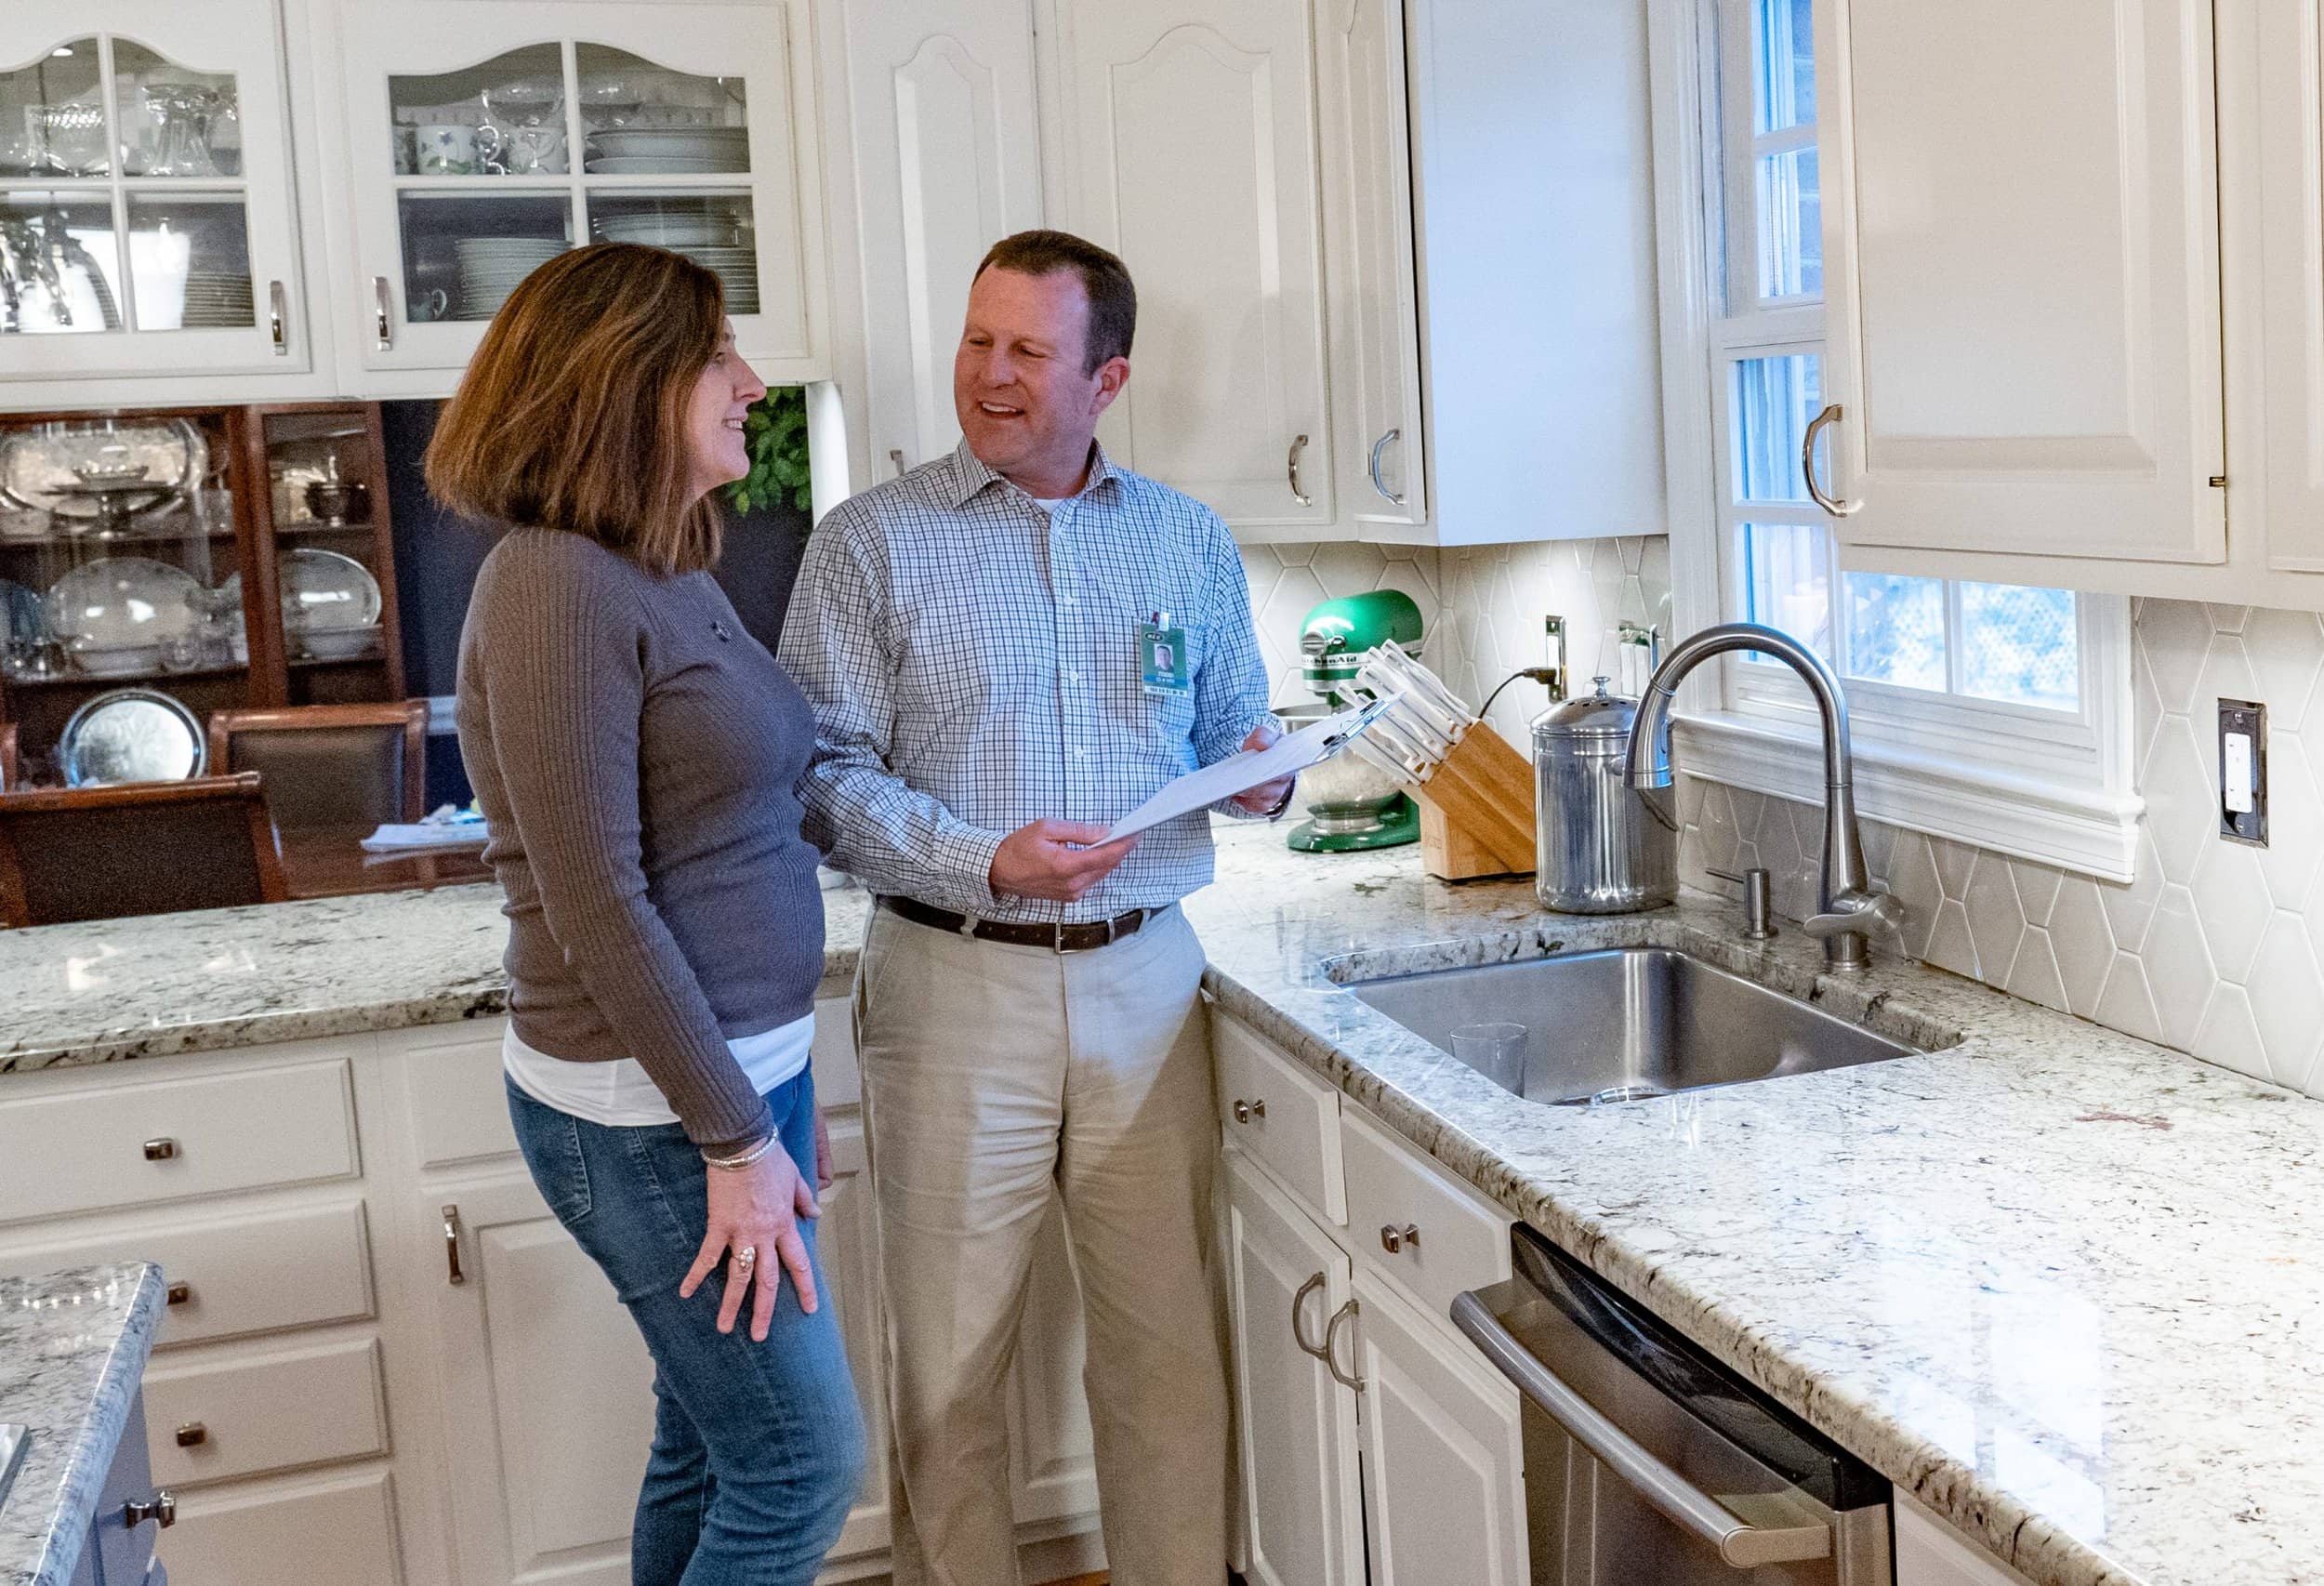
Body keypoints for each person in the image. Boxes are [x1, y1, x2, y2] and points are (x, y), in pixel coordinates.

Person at [779, 229, 1292, 1586]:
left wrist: (1261, 777)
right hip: (955, 982)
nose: (990, 377)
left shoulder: (1187, 539)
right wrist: (981, 857)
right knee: (948, 1372)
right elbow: (818, 775)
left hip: (1149, 983)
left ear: (1106, 378)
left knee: (1167, 1352)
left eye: (1028, 351)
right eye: (977, 341)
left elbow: (1236, 725)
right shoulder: (868, 545)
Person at [431, 243, 865, 1586]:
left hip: (730, 1092)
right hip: (655, 1115)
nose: (750, 381)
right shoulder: (558, 581)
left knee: (713, 1447)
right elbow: (596, 902)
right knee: (801, 1464)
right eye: (718, 354)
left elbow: (745, 810)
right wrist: (737, 1135)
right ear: (628, 381)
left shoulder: (660, 562)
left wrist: (776, 1109)